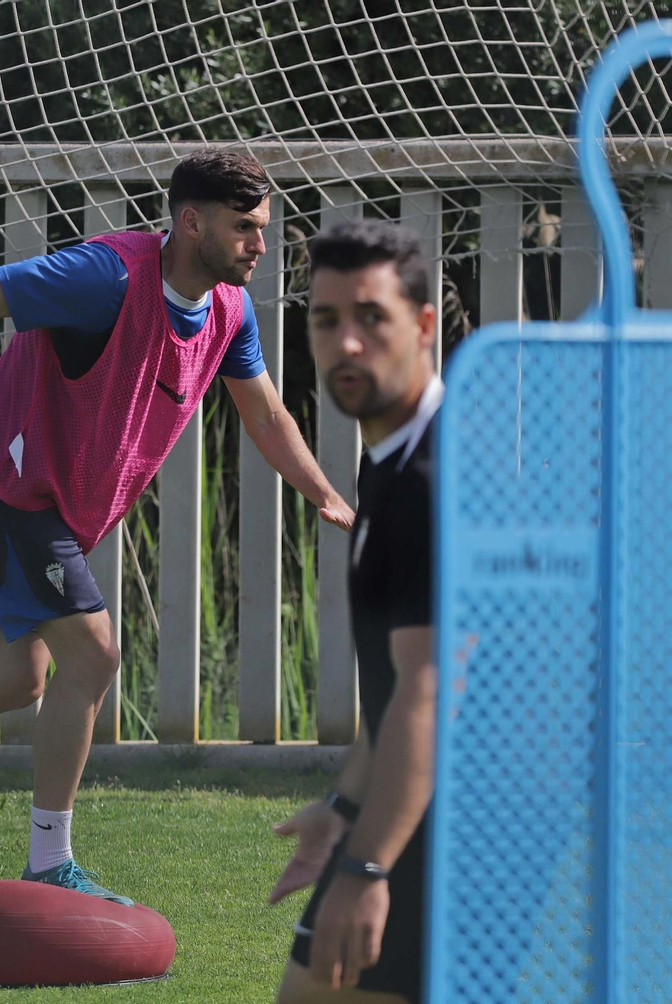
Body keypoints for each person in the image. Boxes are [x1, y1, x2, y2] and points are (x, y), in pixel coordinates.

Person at [0, 150, 355, 893]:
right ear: (189, 223)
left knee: (13, 677)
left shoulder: (229, 311)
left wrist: (325, 493)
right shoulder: (106, 275)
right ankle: (50, 862)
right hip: (4, 480)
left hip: (38, 494)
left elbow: (266, 415)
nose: (260, 245)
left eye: (264, 228)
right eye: (244, 228)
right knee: (94, 654)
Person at [269, 220, 442, 1004]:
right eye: (326, 319)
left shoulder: (433, 481)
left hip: (457, 837)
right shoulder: (389, 465)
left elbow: (428, 692)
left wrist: (370, 868)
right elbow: (391, 689)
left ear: (424, 326)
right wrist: (340, 810)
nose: (346, 344)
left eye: (371, 318)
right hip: (402, 816)